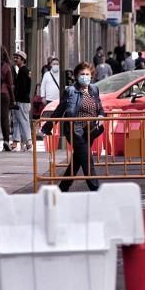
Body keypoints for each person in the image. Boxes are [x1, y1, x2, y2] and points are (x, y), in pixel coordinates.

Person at [41, 62, 103, 192]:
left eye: (87, 74)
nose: (85, 77)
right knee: (86, 158)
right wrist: (48, 127)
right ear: (76, 76)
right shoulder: (70, 91)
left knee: (78, 159)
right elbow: (60, 110)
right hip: (74, 129)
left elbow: (100, 108)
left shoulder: (94, 89)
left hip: (90, 130)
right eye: (82, 74)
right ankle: (96, 189)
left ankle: (63, 187)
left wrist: (101, 116)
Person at [11, 51, 33, 152]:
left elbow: (22, 88)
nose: (15, 59)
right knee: (17, 121)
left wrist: (16, 98)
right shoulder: (22, 70)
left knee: (23, 121)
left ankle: (28, 142)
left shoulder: (23, 71)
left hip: (22, 101)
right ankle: (16, 142)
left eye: (17, 58)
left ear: (23, 59)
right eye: (15, 57)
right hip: (21, 100)